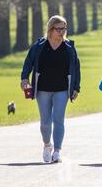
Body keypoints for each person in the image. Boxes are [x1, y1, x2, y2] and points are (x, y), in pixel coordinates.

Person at [21, 15, 81, 164]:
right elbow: (28, 62)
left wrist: (76, 88)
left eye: (64, 29)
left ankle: (57, 151)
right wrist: (24, 78)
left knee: (58, 119)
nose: (61, 32)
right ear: (50, 29)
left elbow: (76, 68)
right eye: (58, 29)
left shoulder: (69, 47)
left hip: (62, 89)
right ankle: (47, 145)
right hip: (42, 89)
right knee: (45, 122)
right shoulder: (39, 46)